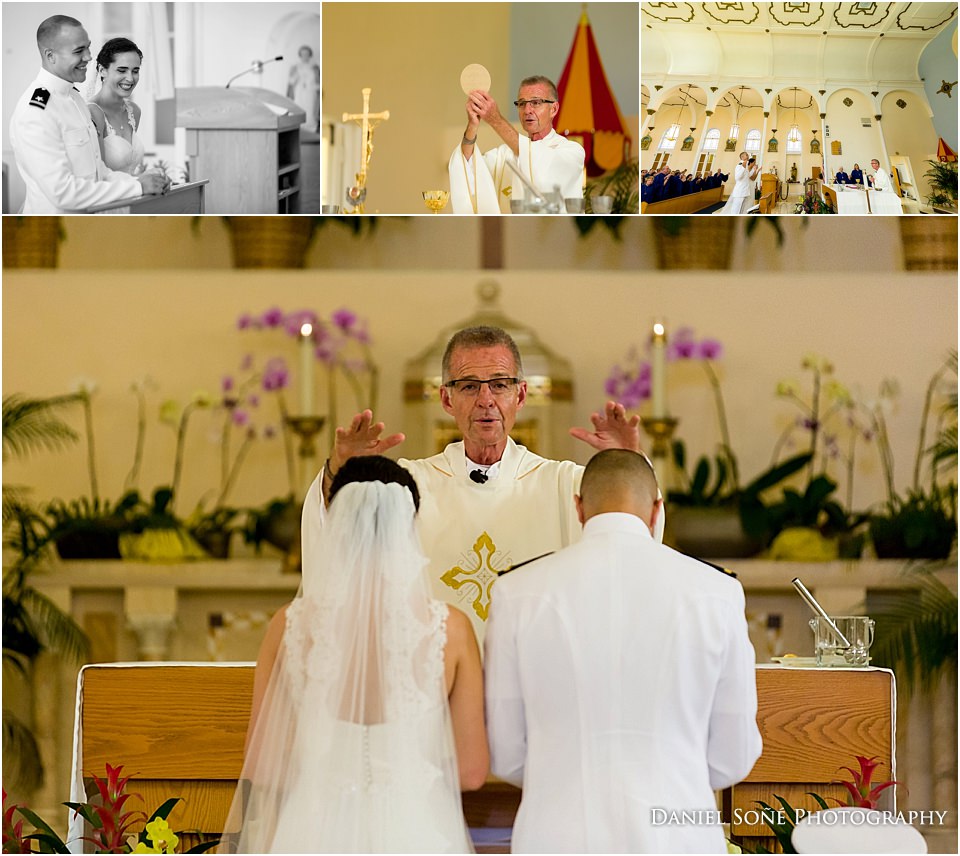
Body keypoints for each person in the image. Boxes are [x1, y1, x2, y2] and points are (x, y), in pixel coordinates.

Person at [484, 449, 762, 853]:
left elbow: (506, 751)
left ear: (578, 509)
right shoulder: (716, 591)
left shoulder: (517, 592)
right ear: (656, 511)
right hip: (678, 834)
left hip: (559, 835)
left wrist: (562, 778)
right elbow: (734, 754)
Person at [313, 326, 663, 643]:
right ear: (447, 399)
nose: (486, 400)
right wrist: (340, 474)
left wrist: (630, 464)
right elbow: (341, 541)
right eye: (468, 386)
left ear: (521, 396)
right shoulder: (406, 486)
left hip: (533, 680)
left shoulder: (566, 485)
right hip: (437, 680)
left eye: (499, 384)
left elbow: (633, 543)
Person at [221, 456, 487, 853]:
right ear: (410, 525)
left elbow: (263, 764)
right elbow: (470, 772)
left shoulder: (290, 624)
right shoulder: (450, 628)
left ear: (337, 524)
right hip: (414, 831)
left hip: (310, 832)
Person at [9, 15, 166, 213]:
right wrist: (137, 187)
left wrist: (142, 182)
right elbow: (62, 193)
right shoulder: (36, 110)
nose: (89, 57)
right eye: (78, 51)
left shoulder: (76, 100)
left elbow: (99, 172)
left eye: (88, 47)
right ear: (50, 56)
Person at [448, 75, 584, 214]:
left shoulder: (572, 151)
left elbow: (540, 163)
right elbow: (468, 168)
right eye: (522, 103)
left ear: (553, 109)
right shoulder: (504, 154)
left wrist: (495, 120)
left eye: (536, 103)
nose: (527, 110)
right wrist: (472, 125)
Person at [87, 38, 147, 176]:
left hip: (132, 194)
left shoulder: (134, 111)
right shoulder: (92, 112)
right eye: (122, 70)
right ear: (102, 70)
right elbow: (99, 174)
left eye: (135, 71)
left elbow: (129, 168)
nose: (130, 78)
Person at [286, 45, 320, 132]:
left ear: (310, 55)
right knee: (299, 110)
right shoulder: (295, 67)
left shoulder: (315, 68)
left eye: (307, 54)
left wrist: (313, 87)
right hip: (299, 93)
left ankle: (311, 130)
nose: (305, 56)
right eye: (303, 54)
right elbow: (291, 82)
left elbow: (318, 83)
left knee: (310, 112)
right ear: (300, 55)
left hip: (310, 92)